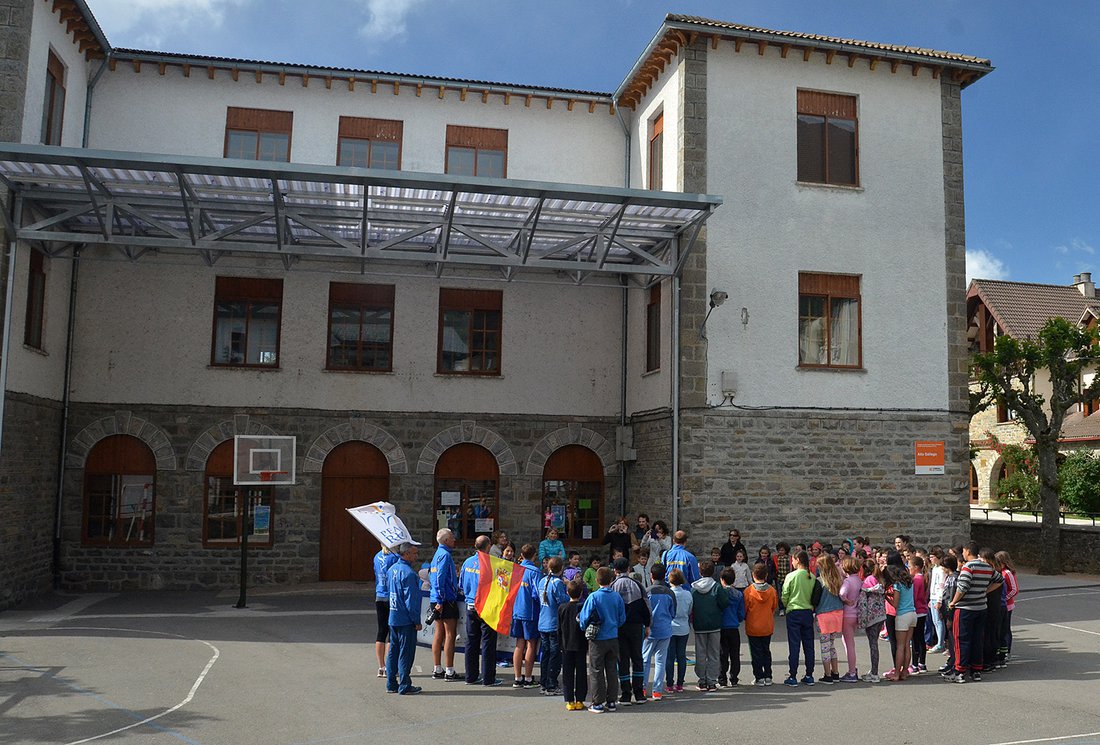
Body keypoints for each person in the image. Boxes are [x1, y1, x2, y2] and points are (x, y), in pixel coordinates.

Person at [579, 566, 626, 713]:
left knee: (596, 670)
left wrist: (584, 627)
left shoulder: (593, 597)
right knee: (611, 670)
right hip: (613, 636)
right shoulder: (616, 597)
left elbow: (584, 617)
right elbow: (622, 618)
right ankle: (611, 701)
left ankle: (598, 702)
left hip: (597, 638)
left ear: (597, 580)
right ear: (611, 579)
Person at [459, 535, 502, 687]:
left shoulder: (467, 562)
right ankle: (488, 678)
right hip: (486, 607)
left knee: (471, 642)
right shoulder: (492, 563)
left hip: (471, 606)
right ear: (488, 546)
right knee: (488, 643)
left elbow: (461, 584)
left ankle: (470, 677)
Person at [611, 556, 651, 705]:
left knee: (622, 660)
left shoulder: (613, 586)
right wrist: (648, 625)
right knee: (637, 658)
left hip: (619, 627)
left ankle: (626, 694)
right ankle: (639, 693)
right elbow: (646, 607)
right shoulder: (638, 585)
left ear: (615, 570)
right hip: (636, 625)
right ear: (628, 569)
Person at [385, 543, 423, 695]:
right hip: (405, 619)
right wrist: (416, 620)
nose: (416, 556)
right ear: (406, 554)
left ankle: (391, 683)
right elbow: (411, 601)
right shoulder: (409, 574)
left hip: (393, 616)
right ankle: (404, 685)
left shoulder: (391, 569)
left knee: (393, 651)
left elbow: (388, 590)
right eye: (414, 553)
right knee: (406, 653)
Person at [690, 560, 729, 691]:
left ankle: (702, 679)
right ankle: (712, 680)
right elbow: (724, 603)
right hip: (714, 624)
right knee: (714, 653)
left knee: (700, 653)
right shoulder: (716, 587)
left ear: (700, 572)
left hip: (699, 624)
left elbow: (691, 606)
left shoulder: (694, 589)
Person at [429, 528, 461, 681]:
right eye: (452, 537)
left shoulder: (437, 554)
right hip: (445, 599)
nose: (454, 539)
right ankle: (449, 670)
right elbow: (439, 578)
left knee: (439, 633)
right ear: (446, 540)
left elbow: (433, 575)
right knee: (449, 634)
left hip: (436, 598)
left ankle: (437, 668)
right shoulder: (445, 555)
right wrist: (441, 600)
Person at [781, 550, 816, 686]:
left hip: (794, 611)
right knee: (809, 644)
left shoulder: (791, 576)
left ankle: (793, 675)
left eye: (793, 560)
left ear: (798, 560)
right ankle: (809, 674)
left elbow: (785, 594)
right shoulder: (811, 577)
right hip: (807, 611)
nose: (792, 562)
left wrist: (787, 604)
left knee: (794, 644)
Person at [642, 563, 676, 700]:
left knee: (645, 659)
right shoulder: (670, 592)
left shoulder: (647, 592)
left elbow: (644, 612)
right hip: (665, 629)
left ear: (651, 576)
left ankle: (642, 687)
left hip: (649, 630)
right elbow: (673, 612)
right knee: (661, 660)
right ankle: (657, 690)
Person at [538, 556, 570, 695]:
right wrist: (568, 589)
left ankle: (544, 682)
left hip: (543, 621)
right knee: (554, 655)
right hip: (553, 623)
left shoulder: (542, 580)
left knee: (545, 653)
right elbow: (562, 601)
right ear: (561, 568)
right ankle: (551, 684)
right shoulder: (557, 583)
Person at [511, 543, 542, 688]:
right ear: (534, 556)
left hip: (516, 610)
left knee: (519, 644)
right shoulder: (535, 571)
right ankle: (528, 678)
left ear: (521, 555)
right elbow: (537, 593)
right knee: (530, 643)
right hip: (530, 611)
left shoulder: (514, 569)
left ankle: (517, 677)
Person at [743, 561, 778, 686]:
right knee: (766, 651)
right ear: (766, 575)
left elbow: (745, 609)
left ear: (753, 575)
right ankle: (768, 675)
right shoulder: (772, 591)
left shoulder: (748, 591)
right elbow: (774, 606)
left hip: (753, 625)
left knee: (756, 653)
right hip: (767, 624)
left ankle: (759, 677)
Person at [558, 579, 589, 711]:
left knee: (567, 673)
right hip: (581, 643)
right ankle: (580, 699)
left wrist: (560, 643)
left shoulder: (562, 608)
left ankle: (569, 700)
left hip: (566, 644)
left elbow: (559, 628)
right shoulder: (582, 607)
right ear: (581, 593)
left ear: (567, 592)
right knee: (581, 672)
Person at [815, 553, 845, 684]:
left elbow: (815, 600)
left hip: (824, 615)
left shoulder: (820, 581)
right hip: (837, 613)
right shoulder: (838, 579)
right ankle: (835, 672)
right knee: (832, 645)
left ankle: (827, 674)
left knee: (825, 647)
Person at [884, 563, 916, 682]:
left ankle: (897, 673)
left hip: (902, 615)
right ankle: (905, 671)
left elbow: (896, 604)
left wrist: (887, 597)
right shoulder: (909, 583)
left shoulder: (897, 585)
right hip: (912, 613)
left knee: (900, 646)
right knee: (907, 645)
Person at [857, 557, 887, 683]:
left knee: (873, 644)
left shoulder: (868, 580)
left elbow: (863, 602)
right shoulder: (879, 579)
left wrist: (862, 620)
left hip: (871, 616)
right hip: (881, 614)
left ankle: (874, 673)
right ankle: (873, 671)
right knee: (874, 644)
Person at [717, 567, 746, 687]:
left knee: (722, 654)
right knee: (735, 654)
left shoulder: (719, 593)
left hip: (722, 626)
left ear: (722, 579)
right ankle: (734, 678)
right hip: (734, 627)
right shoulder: (738, 594)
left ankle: (722, 678)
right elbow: (741, 613)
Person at [665, 568, 693, 693]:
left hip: (671, 626)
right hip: (683, 626)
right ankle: (680, 683)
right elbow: (690, 610)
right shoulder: (687, 594)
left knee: (670, 657)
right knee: (681, 655)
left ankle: (669, 683)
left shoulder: (668, 594)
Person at [978, 547, 1005, 673]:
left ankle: (988, 661)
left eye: (981, 558)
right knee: (992, 633)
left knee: (989, 634)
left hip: (991, 606)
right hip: (994, 605)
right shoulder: (994, 571)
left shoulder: (991, 572)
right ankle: (992, 660)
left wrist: (984, 591)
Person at [373, 545, 398, 678]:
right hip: (391, 595)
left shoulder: (377, 556)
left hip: (380, 594)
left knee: (381, 631)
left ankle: (381, 666)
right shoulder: (395, 557)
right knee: (392, 632)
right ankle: (389, 666)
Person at [838, 556, 862, 682]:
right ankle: (852, 670)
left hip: (847, 613)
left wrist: (846, 601)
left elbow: (842, 593)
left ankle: (852, 672)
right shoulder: (858, 580)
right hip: (856, 613)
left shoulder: (847, 581)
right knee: (850, 642)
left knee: (849, 644)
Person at [995, 550, 1018, 666]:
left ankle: (1007, 651)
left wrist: (1004, 598)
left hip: (1007, 605)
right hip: (1001, 605)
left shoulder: (1007, 573)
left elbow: (1014, 589)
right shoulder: (999, 572)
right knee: (1000, 629)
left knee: (1006, 629)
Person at [937, 555, 959, 677]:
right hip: (946, 611)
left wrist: (949, 617)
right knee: (950, 638)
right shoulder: (950, 577)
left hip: (951, 612)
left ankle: (954, 662)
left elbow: (950, 599)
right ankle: (952, 660)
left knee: (952, 638)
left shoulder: (953, 579)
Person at [909, 555, 930, 673]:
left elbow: (914, 596)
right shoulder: (922, 578)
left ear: (916, 567)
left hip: (917, 610)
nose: (909, 569)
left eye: (910, 566)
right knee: (921, 638)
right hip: (922, 610)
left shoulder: (916, 580)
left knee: (915, 639)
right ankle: (922, 662)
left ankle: (915, 664)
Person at [927, 548, 948, 653]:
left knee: (939, 621)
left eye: (932, 557)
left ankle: (941, 643)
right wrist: (931, 598)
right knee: (935, 621)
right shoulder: (934, 568)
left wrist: (939, 600)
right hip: (933, 597)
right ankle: (940, 642)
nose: (930, 559)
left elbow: (941, 586)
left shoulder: (941, 570)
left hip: (938, 598)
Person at [774, 542, 792, 614]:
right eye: (779, 550)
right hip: (779, 578)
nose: (780, 552)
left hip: (787, 578)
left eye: (782, 550)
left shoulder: (789, 558)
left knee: (788, 593)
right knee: (780, 594)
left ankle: (787, 607)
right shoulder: (776, 558)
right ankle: (781, 608)